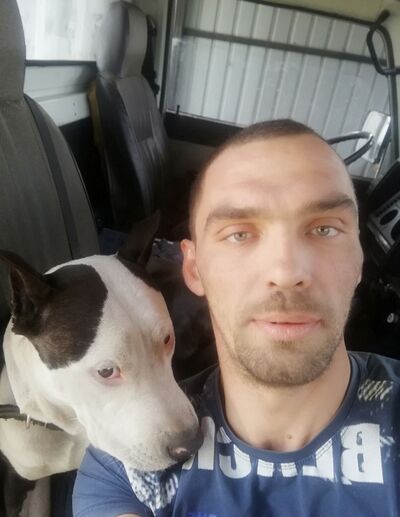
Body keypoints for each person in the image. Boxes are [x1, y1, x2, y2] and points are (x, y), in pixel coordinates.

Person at [72, 119, 400, 517]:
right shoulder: (129, 460)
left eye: (325, 229)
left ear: (359, 259)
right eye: (239, 234)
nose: (286, 271)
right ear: (193, 268)